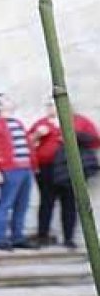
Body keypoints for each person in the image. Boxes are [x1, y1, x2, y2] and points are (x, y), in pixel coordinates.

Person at [29, 97, 100, 248]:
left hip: (69, 169)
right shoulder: (42, 123)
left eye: (52, 105)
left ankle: (68, 238)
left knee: (69, 203)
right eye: (48, 105)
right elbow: (27, 141)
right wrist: (37, 135)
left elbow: (95, 140)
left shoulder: (79, 121)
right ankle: (43, 235)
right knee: (46, 202)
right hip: (46, 170)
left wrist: (72, 135)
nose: (49, 109)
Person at [0, 93, 36, 250]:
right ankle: (0, 239)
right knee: (5, 204)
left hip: (26, 169)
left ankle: (18, 237)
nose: (12, 100)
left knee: (22, 205)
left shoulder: (18, 123)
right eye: (7, 99)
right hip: (10, 170)